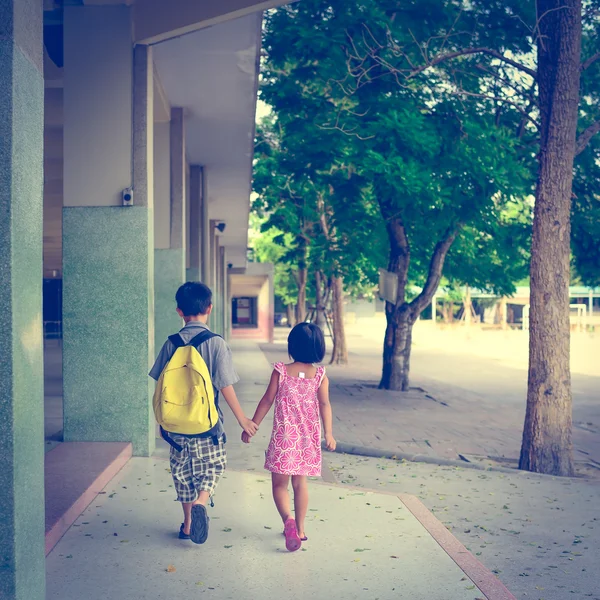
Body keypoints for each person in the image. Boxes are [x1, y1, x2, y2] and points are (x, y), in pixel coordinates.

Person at [150, 282, 258, 544]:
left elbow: (161, 382)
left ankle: (187, 525)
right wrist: (243, 419)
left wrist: (162, 421)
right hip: (207, 425)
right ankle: (202, 500)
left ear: (179, 311)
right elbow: (226, 385)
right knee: (211, 466)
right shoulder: (216, 344)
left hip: (175, 426)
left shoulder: (171, 343)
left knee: (182, 474)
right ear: (209, 308)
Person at [242, 322, 336, 552]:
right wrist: (329, 434)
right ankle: (301, 529)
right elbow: (325, 405)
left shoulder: (281, 371)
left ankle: (288, 521)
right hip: (307, 439)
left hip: (285, 438)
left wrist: (252, 424)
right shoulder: (320, 376)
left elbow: (267, 400)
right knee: (300, 483)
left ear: (291, 345)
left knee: (279, 486)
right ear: (319, 348)